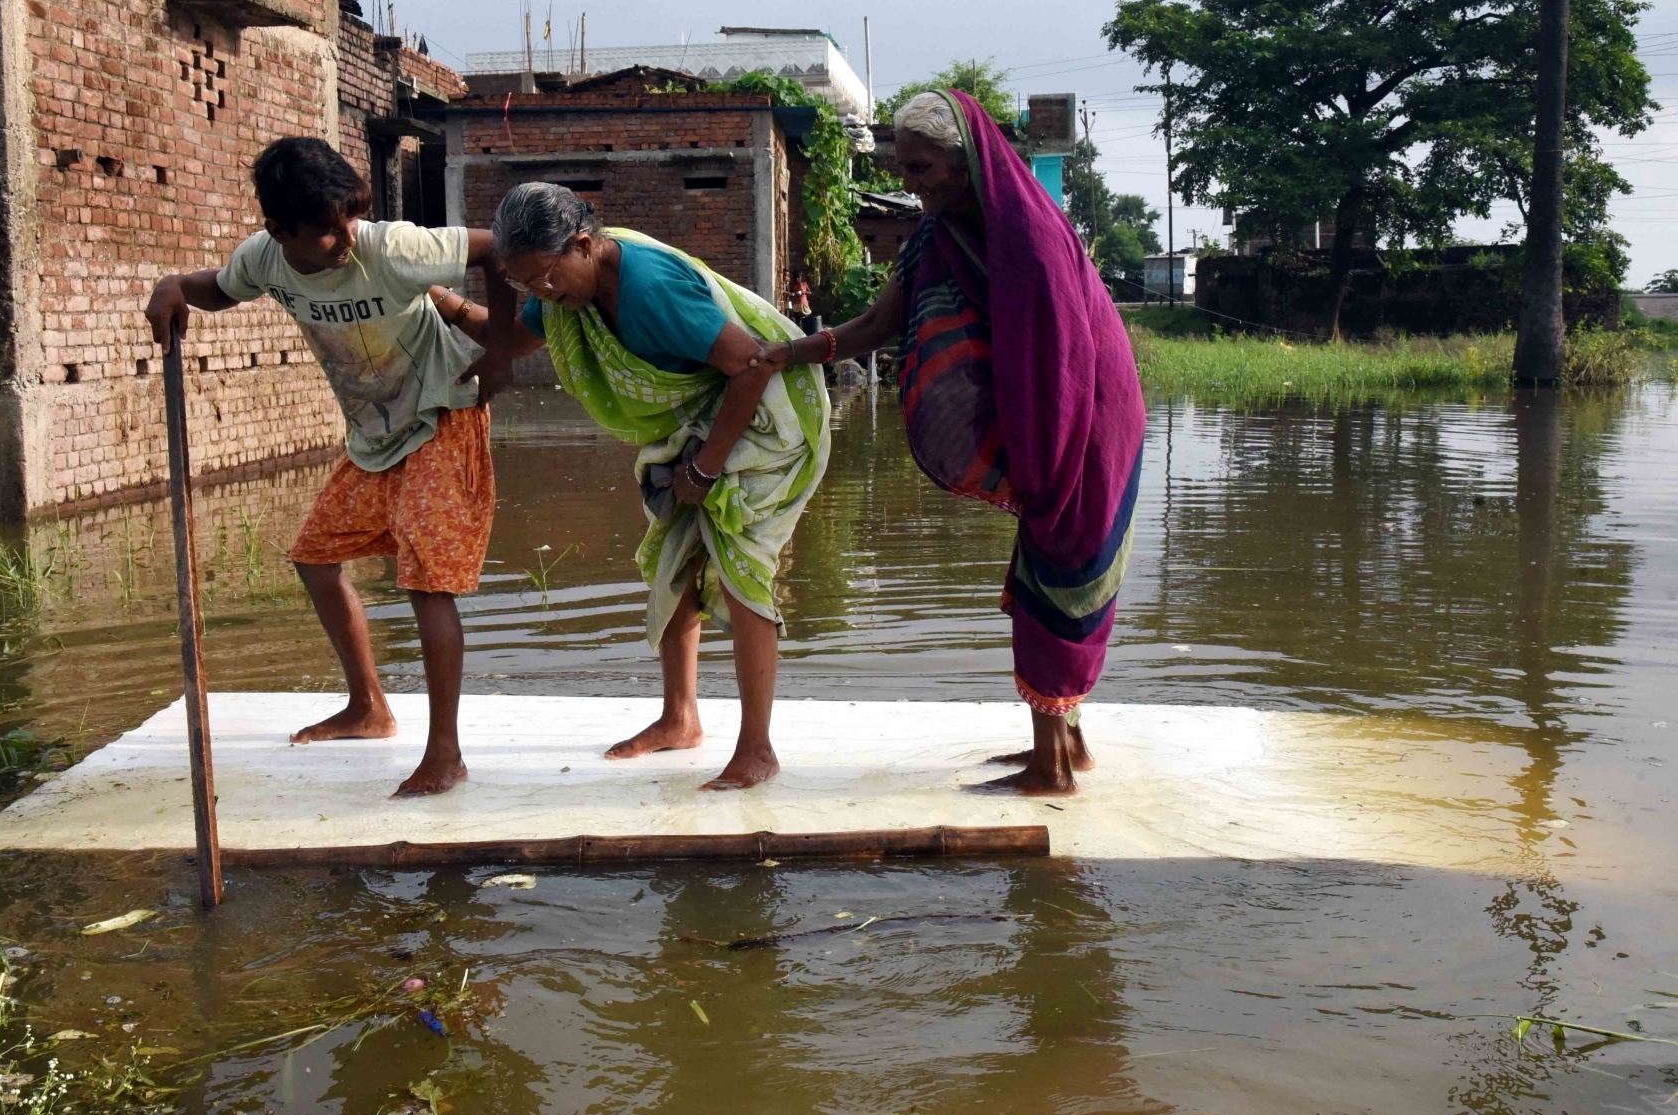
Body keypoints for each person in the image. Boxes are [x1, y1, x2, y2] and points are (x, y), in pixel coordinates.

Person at [752, 91, 1145, 795]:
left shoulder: (1028, 233)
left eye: (922, 166)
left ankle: (1051, 769)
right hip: (1044, 413)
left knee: (1053, 578)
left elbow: (1063, 350)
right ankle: (1070, 743)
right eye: (902, 167)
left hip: (1088, 417)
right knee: (1038, 567)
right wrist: (791, 352)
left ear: (966, 161)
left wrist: (1045, 463)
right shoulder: (937, 235)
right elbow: (876, 324)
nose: (909, 181)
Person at [143, 137, 518, 797]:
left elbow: (495, 248)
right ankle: (368, 705)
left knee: (427, 582)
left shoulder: (390, 247)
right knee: (315, 554)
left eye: (349, 217)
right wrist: (172, 286)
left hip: (443, 413)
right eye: (325, 230)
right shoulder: (268, 261)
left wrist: (502, 356)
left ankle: (446, 752)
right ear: (280, 230)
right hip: (376, 435)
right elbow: (219, 289)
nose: (345, 237)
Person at [473, 183, 831, 790]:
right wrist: (441, 301)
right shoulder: (567, 290)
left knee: (742, 565)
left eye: (544, 278)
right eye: (525, 284)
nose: (542, 294)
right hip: (703, 418)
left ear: (583, 245)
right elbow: (514, 340)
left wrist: (706, 467)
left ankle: (757, 749)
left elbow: (753, 365)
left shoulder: (650, 289)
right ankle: (680, 718)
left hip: (771, 415)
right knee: (674, 557)